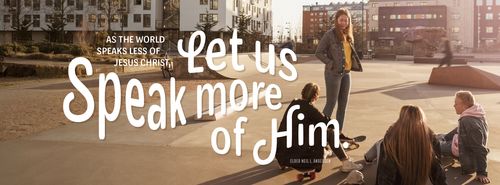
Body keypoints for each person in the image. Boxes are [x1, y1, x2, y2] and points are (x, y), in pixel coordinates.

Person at [276, 83, 363, 173]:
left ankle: (325, 151)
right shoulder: (311, 110)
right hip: (302, 163)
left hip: (282, 157)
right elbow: (330, 123)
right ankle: (346, 162)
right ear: (315, 96)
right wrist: (341, 135)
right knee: (329, 133)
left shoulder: (294, 103)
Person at [365, 105, 447, 185]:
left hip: (397, 179)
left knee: (379, 144)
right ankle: (367, 157)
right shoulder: (430, 138)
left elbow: (385, 176)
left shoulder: (391, 141)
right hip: (421, 179)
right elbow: (438, 173)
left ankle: (367, 157)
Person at [315, 8, 363, 141]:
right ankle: (320, 135)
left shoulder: (348, 35)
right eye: (341, 20)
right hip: (333, 74)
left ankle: (338, 134)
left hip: (346, 74)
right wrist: (330, 64)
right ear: (336, 20)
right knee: (331, 103)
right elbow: (318, 52)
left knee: (343, 105)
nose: (344, 23)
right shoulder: (330, 35)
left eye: (346, 20)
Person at [439, 91, 490, 184]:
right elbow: (459, 129)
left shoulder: (468, 122)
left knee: (433, 144)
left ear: (465, 106)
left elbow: (480, 149)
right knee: (439, 136)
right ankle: (441, 142)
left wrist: (482, 173)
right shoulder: (475, 113)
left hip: (463, 153)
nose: (453, 106)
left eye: (456, 103)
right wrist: (445, 137)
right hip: (460, 143)